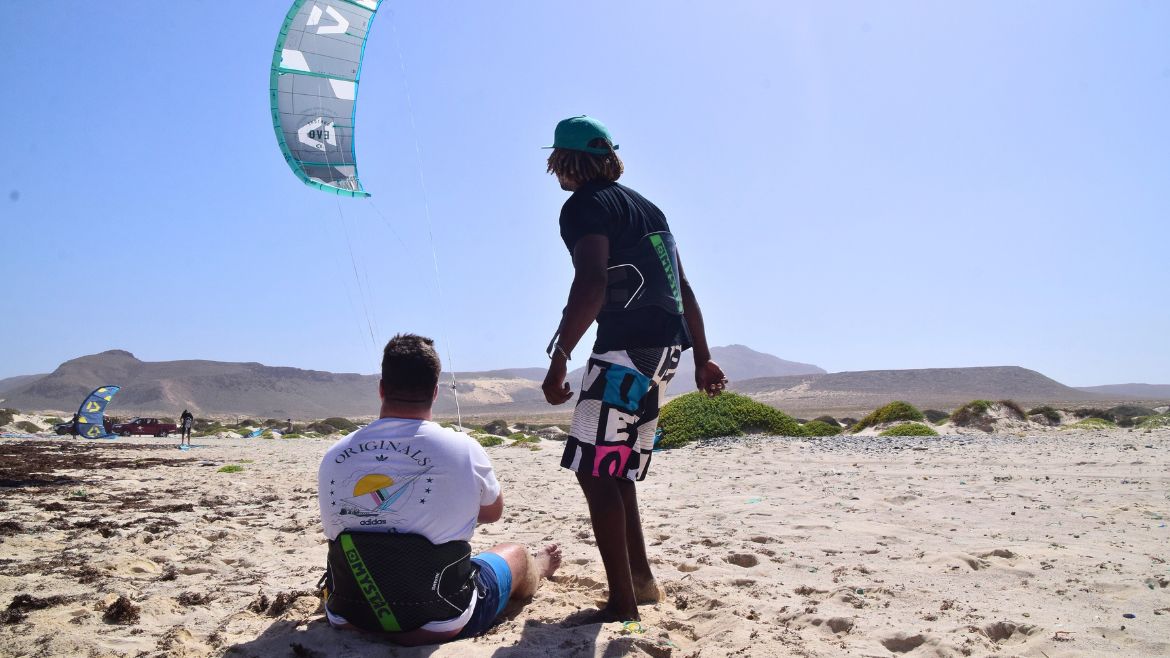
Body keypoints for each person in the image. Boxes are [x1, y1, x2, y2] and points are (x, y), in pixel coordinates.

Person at [541, 115, 727, 622]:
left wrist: (560, 356)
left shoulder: (583, 206)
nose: (554, 171)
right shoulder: (648, 207)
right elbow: (682, 287)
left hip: (626, 349)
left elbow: (592, 281)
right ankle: (641, 582)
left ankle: (622, 604)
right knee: (616, 468)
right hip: (666, 351)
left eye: (556, 162)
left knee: (595, 473)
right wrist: (703, 355)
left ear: (566, 160)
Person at [317, 333, 561, 645]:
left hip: (350, 617)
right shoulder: (463, 448)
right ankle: (537, 567)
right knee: (515, 553)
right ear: (435, 392)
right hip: (438, 619)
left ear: (381, 389)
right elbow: (493, 511)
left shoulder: (335, 454)